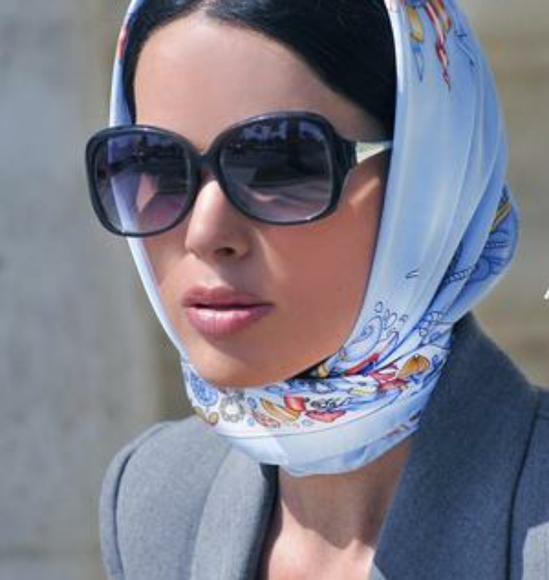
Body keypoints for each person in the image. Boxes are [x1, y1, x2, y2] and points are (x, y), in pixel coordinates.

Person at [85, 0, 549, 578]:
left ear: (430, 180)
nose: (205, 234)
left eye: (280, 162)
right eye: (152, 163)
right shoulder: (154, 496)